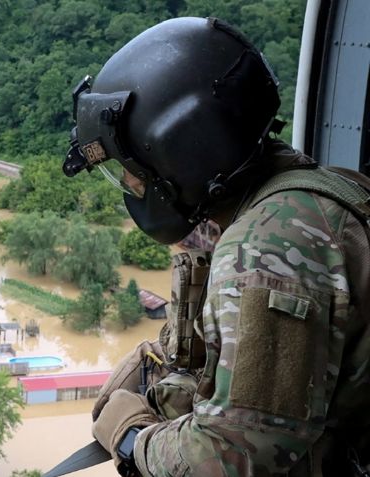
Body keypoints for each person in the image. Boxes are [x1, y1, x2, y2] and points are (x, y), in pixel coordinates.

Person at [63, 17, 370, 476]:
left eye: (129, 168)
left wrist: (131, 438)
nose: (129, 183)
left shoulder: (263, 248)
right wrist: (162, 359)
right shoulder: (317, 193)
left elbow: (230, 457)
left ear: (180, 152)